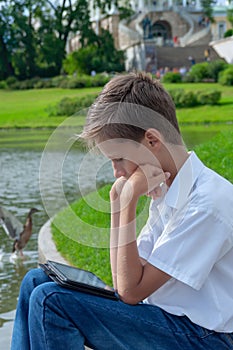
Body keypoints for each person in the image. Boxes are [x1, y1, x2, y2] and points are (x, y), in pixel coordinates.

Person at [11, 72, 233, 350]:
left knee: (51, 302)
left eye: (119, 159)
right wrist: (118, 201)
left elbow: (130, 292)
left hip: (207, 338)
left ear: (152, 140)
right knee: (36, 281)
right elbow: (124, 279)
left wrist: (128, 202)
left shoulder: (206, 203)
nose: (116, 172)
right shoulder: (169, 188)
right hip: (169, 320)